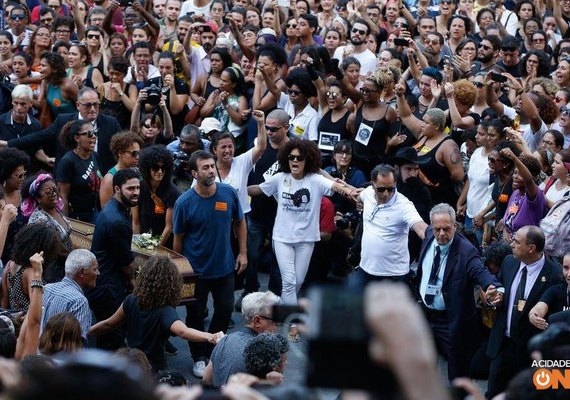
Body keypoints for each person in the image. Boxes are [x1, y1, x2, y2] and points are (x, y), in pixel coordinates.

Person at [248, 139, 357, 304]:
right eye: (291, 157)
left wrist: (350, 192)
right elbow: (257, 189)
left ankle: (282, 311)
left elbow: (336, 187)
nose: (295, 161)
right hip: (282, 238)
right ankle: (290, 322)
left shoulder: (315, 180)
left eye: (300, 158)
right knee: (290, 281)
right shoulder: (279, 178)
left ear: (308, 160)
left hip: (306, 240)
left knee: (297, 282)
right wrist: (235, 189)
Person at [173, 150, 247, 378]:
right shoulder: (184, 202)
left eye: (212, 166)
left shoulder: (228, 193)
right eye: (204, 168)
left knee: (225, 310)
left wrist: (243, 252)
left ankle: (214, 351)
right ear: (194, 173)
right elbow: (178, 239)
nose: (211, 171)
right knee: (195, 315)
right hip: (196, 272)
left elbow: (240, 222)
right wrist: (179, 270)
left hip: (224, 268)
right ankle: (198, 357)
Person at [89, 256, 224, 372]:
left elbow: (108, 324)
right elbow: (183, 332)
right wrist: (210, 336)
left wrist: (85, 331)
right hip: (154, 367)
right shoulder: (165, 311)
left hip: (131, 362)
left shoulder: (130, 300)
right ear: (171, 284)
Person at [416, 203, 503, 380]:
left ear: (455, 226)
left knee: (458, 371)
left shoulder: (466, 251)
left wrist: (495, 288)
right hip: (424, 313)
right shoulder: (428, 236)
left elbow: (480, 272)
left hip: (451, 319)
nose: (441, 234)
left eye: (446, 229)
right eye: (437, 229)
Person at [486, 226, 564, 397]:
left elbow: (557, 316)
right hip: (503, 344)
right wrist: (492, 298)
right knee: (493, 393)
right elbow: (500, 291)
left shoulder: (555, 275)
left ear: (531, 248)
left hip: (529, 352)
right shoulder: (508, 261)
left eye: (516, 241)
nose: (511, 244)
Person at [0, 87, 123, 175]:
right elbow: (39, 136)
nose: (93, 109)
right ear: (78, 105)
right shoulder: (63, 121)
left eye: (96, 104)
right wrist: (8, 143)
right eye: (88, 105)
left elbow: (123, 146)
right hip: (69, 177)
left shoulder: (110, 123)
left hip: (102, 176)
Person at [85, 168, 140, 351]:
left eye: (138, 188)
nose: (136, 193)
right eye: (130, 189)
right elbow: (126, 264)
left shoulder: (117, 208)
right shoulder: (117, 220)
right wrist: (134, 283)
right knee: (112, 338)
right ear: (117, 189)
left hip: (105, 281)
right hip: (108, 287)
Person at [348, 164, 428, 289]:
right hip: (365, 270)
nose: (386, 194)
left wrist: (433, 235)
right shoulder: (368, 193)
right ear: (373, 185)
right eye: (381, 189)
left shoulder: (404, 205)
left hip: (394, 276)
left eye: (391, 189)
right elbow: (355, 194)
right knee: (353, 307)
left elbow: (420, 226)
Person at [204, 291, 280, 387]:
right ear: (256, 321)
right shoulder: (263, 354)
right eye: (274, 320)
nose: (277, 326)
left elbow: (206, 379)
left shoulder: (224, 340)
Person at [1, 223, 64, 312]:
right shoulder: (31, 273)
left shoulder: (9, 265)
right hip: (29, 322)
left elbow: (5, 300)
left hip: (13, 320)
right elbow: (37, 307)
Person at [41, 249, 98, 341]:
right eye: (95, 269)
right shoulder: (79, 301)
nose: (97, 273)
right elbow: (76, 343)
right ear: (82, 272)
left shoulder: (47, 288)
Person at [132, 145, 181, 248]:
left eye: (163, 168)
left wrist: (155, 248)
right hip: (141, 241)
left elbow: (169, 227)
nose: (159, 171)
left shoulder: (173, 192)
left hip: (163, 245)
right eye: (155, 168)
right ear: (147, 168)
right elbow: (135, 221)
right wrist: (136, 246)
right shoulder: (139, 187)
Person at [56, 119, 102, 223]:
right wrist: (65, 224)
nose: (94, 136)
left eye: (95, 132)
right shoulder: (67, 162)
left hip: (94, 212)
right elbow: (63, 197)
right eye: (90, 134)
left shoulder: (95, 156)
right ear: (77, 138)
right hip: (76, 218)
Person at [23, 173, 72, 253]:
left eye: (55, 189)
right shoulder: (39, 220)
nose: (54, 194)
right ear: (38, 198)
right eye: (48, 192)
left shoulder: (56, 208)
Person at [99, 132, 143, 208]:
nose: (137, 157)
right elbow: (106, 211)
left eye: (139, 153)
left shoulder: (137, 171)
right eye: (134, 153)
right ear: (120, 153)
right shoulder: (109, 179)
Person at [529, 251, 570, 330]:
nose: (569, 274)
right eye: (566, 268)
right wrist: (533, 315)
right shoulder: (556, 290)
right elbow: (540, 306)